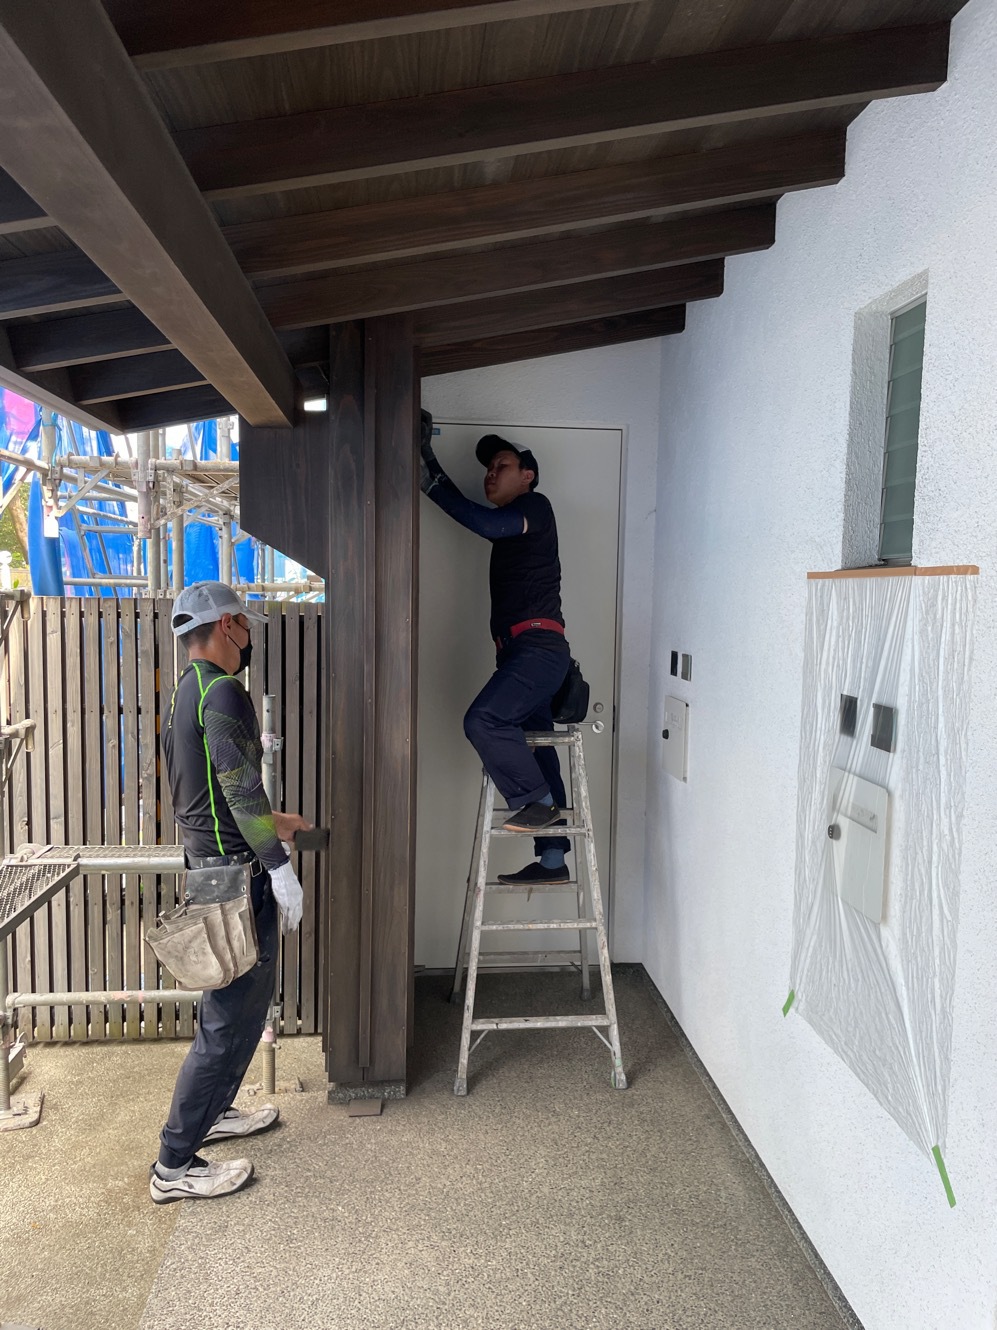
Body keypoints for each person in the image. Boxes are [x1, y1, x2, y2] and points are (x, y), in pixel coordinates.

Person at [150, 581, 311, 1204]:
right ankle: (173, 1166)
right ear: (225, 626)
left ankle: (213, 1114)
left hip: (212, 868)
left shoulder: (185, 693)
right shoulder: (222, 692)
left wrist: (279, 823)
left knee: (240, 1007)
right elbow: (242, 792)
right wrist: (279, 866)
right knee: (226, 1020)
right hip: (235, 878)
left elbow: (213, 794)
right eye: (244, 624)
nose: (248, 636)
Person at [419, 412, 572, 885]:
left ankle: (539, 803)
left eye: (501, 465)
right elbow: (478, 514)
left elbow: (481, 520)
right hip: (523, 652)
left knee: (483, 721)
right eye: (488, 467)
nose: (490, 473)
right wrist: (426, 458)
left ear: (527, 475)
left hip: (539, 649)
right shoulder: (513, 526)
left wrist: (428, 479)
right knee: (537, 745)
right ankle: (553, 860)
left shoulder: (536, 507)